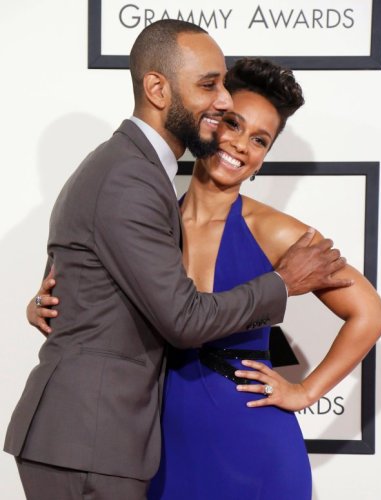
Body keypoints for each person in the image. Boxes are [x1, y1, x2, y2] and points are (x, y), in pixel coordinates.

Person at [5, 21, 352, 500]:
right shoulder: (134, 180)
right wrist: (280, 283)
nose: (223, 103)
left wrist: (305, 390)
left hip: (157, 439)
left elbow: (370, 313)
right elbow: (181, 318)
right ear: (157, 88)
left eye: (260, 140)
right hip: (97, 440)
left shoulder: (140, 176)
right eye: (209, 87)